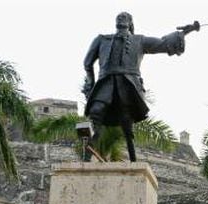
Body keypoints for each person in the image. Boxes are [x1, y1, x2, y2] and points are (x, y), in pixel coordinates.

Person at [82, 12, 199, 162]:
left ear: (131, 24)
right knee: (96, 112)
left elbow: (163, 43)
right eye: (119, 16)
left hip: (128, 85)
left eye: (125, 17)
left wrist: (186, 32)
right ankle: (88, 153)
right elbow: (87, 63)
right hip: (106, 83)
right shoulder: (101, 40)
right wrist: (91, 83)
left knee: (127, 123)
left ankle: (133, 160)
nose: (121, 17)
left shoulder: (140, 41)